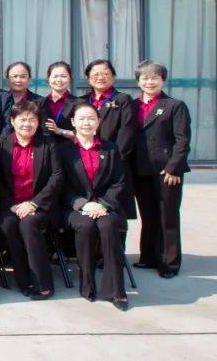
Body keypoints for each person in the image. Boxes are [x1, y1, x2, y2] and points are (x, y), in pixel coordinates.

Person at [57, 103, 130, 310]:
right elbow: (60, 184)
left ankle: (116, 290)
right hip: (75, 207)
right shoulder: (63, 151)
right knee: (86, 226)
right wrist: (83, 204)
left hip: (106, 206)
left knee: (108, 226)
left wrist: (103, 205)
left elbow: (119, 181)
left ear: (98, 122)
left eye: (91, 118)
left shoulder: (110, 148)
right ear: (73, 122)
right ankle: (87, 283)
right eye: (81, 118)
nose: (86, 123)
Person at [0, 101, 63, 300]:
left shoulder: (48, 144)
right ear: (12, 121)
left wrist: (33, 204)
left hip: (40, 206)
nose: (27, 124)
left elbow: (57, 177)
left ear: (38, 122)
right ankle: (23, 280)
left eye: (32, 120)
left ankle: (43, 283)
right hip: (11, 205)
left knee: (29, 224)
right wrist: (12, 205)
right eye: (22, 119)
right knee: (8, 225)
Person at [131, 60, 191, 279]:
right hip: (141, 169)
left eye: (154, 78)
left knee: (168, 217)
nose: (149, 82)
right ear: (138, 81)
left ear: (163, 80)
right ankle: (149, 257)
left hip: (166, 171)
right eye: (145, 78)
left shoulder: (175, 105)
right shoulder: (132, 106)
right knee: (148, 215)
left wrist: (174, 168)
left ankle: (169, 263)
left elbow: (182, 140)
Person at [81, 59, 137, 219]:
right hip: (87, 162)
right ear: (88, 78)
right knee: (86, 212)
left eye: (105, 73)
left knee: (113, 212)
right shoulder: (82, 101)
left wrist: (114, 159)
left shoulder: (123, 100)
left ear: (113, 77)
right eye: (95, 74)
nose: (100, 77)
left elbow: (127, 132)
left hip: (114, 162)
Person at [38, 61, 83, 140]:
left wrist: (59, 131)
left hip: (69, 146)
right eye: (55, 76)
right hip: (43, 146)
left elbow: (84, 133)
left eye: (63, 76)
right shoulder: (38, 103)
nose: (59, 80)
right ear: (48, 79)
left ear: (70, 79)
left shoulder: (80, 104)